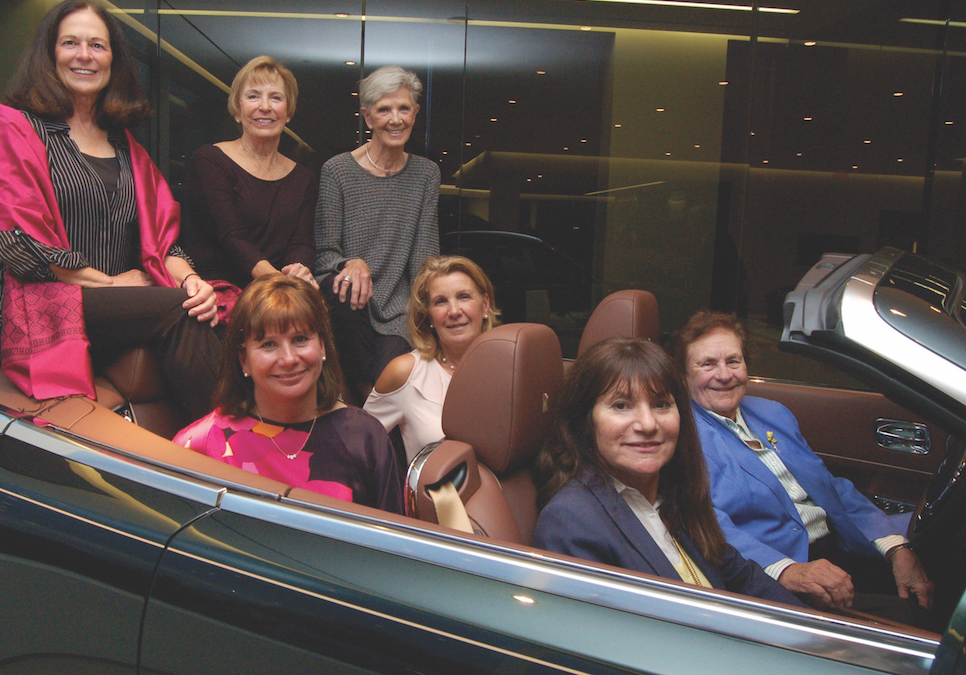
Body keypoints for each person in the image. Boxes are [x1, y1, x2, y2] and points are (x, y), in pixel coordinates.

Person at [0, 0, 221, 419]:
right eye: (70, 43)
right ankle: (230, 444)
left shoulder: (126, 146)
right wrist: (116, 286)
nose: (84, 56)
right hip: (40, 305)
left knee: (202, 306)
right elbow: (18, 244)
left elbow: (160, 241)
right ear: (49, 53)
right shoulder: (20, 128)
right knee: (176, 312)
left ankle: (214, 443)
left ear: (113, 58)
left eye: (98, 45)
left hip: (109, 310)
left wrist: (193, 282)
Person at [672, 311, 934, 623]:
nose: (725, 374)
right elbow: (705, 523)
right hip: (785, 573)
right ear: (683, 375)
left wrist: (895, 548)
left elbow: (830, 486)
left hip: (842, 547)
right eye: (708, 364)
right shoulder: (682, 436)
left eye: (733, 361)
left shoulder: (773, 414)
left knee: (939, 564)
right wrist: (789, 570)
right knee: (920, 620)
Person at [533, 338, 801, 606]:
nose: (648, 424)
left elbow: (744, 579)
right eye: (621, 406)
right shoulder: (570, 520)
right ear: (585, 421)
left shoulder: (674, 494)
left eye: (661, 404)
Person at [173, 274, 404, 513]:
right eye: (268, 345)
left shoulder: (364, 436)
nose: (289, 359)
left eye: (300, 339)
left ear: (323, 346)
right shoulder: (202, 443)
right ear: (244, 361)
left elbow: (397, 543)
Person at [314, 65, 440, 399]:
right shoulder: (337, 170)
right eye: (384, 109)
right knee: (346, 286)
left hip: (398, 308)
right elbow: (325, 254)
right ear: (368, 118)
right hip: (348, 305)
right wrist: (350, 263)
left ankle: (364, 415)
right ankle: (370, 415)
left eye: (403, 108)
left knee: (388, 379)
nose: (395, 119)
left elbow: (425, 259)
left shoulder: (426, 174)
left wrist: (425, 315)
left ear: (414, 114)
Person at [184, 56, 318, 300]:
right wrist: (279, 283)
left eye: (276, 97)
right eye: (253, 96)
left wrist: (297, 272)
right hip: (218, 296)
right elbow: (232, 237)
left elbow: (303, 244)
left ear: (288, 112)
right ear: (237, 109)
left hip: (278, 296)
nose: (264, 106)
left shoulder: (304, 178)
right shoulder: (209, 161)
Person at [364, 255, 500, 462]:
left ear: (485, 305)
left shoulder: (508, 368)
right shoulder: (406, 372)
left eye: (464, 297)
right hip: (440, 494)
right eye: (440, 302)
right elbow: (358, 447)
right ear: (428, 316)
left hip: (505, 492)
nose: (454, 311)